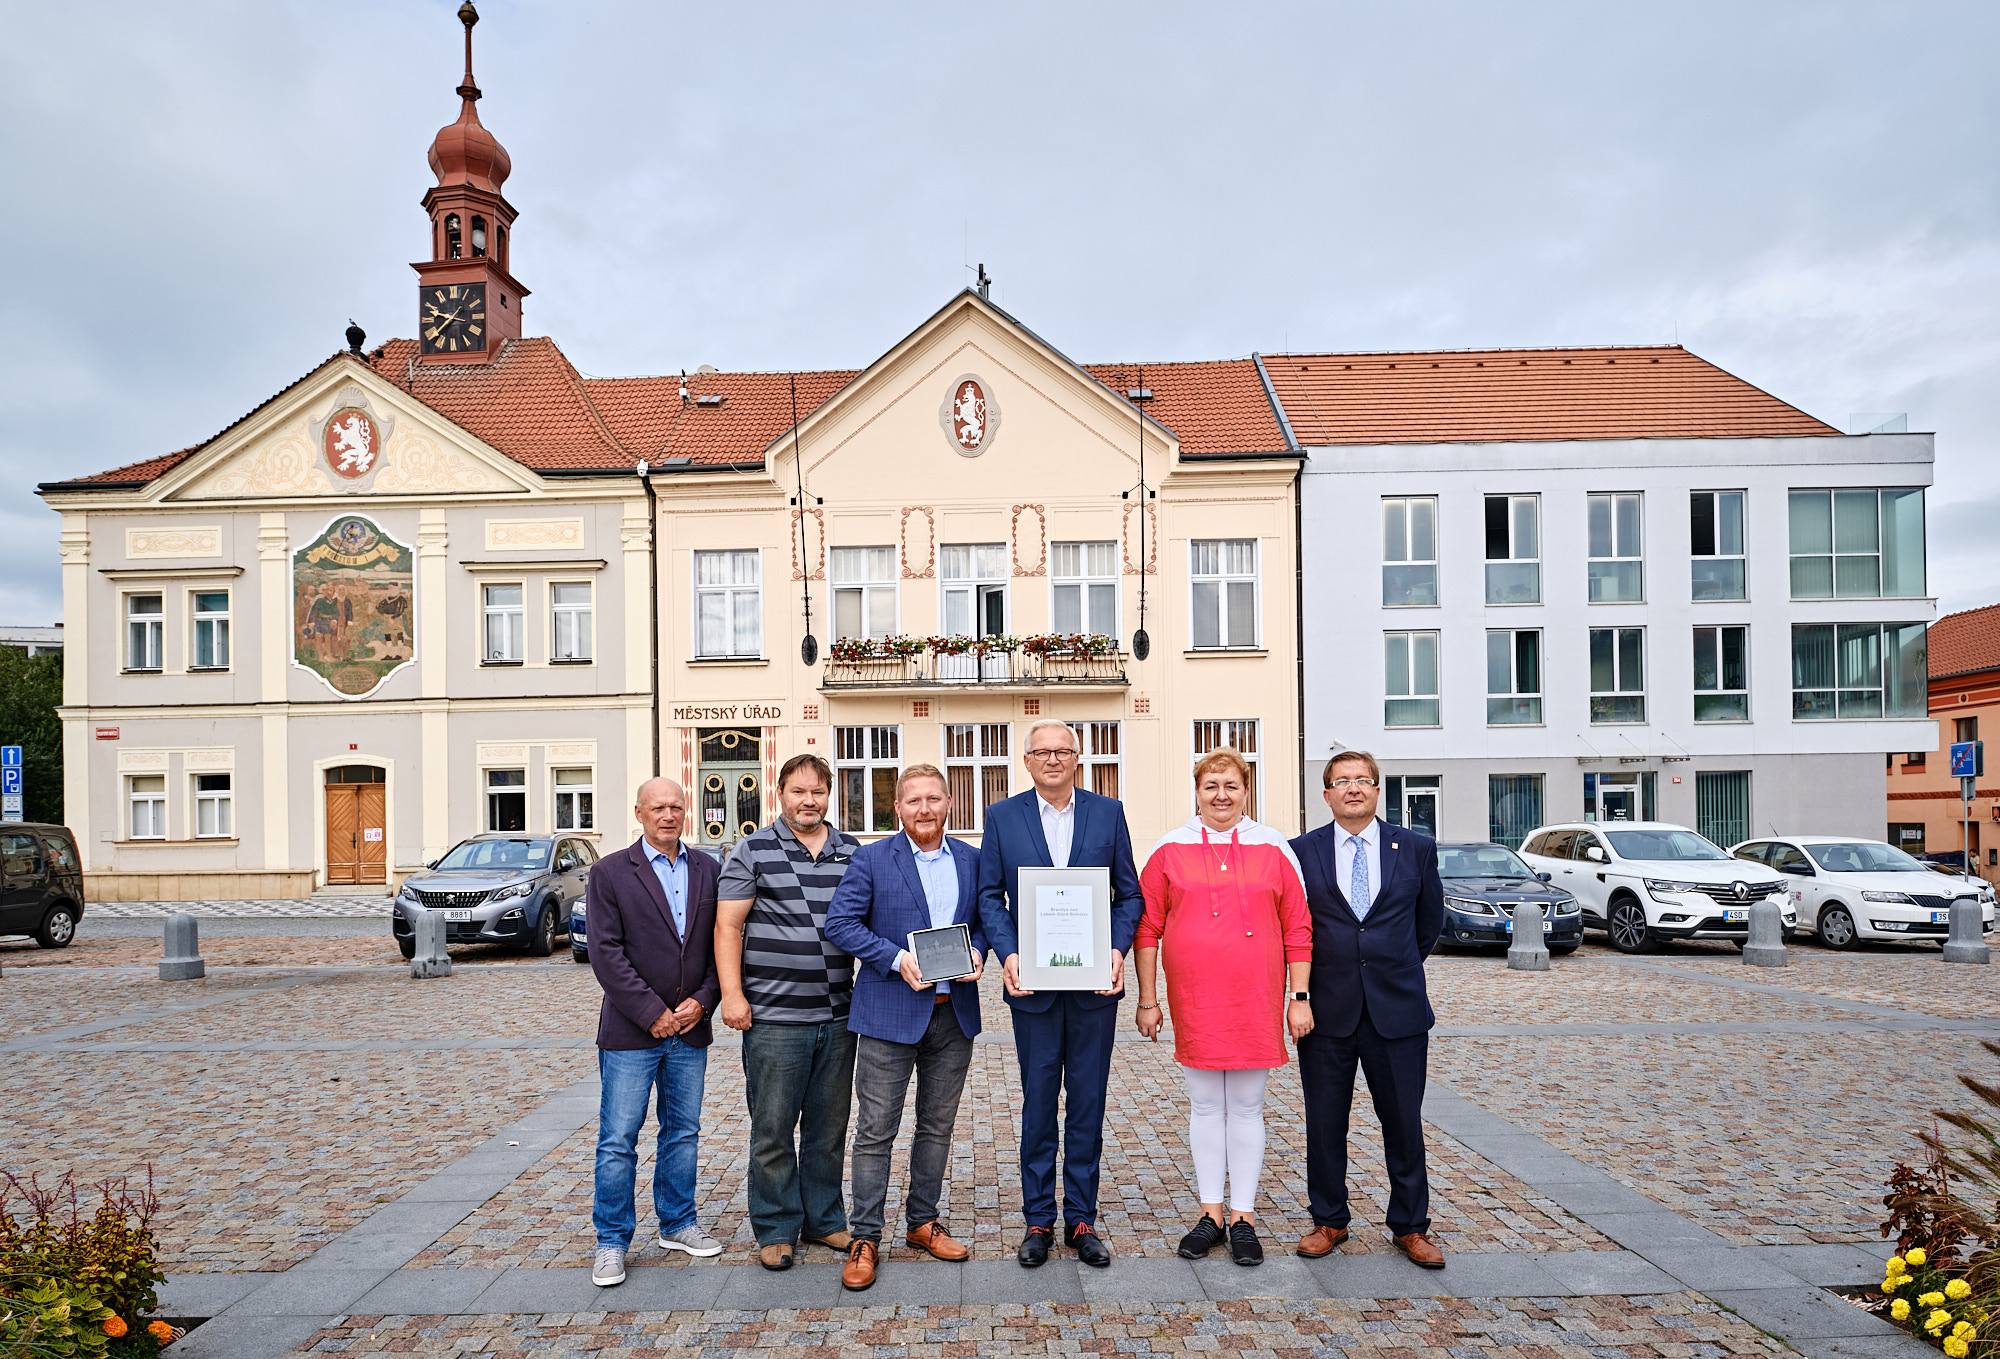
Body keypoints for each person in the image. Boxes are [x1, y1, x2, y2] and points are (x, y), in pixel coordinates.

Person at [1134, 748, 1312, 1267]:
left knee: (1249, 1107)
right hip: (1196, 999)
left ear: (1246, 790)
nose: (1221, 795)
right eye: (1211, 785)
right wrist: (1148, 999)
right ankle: (1210, 1212)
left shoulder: (1274, 846)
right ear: (1196, 791)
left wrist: (1298, 998)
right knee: (1207, 1106)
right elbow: (1147, 928)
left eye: (1231, 785)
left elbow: (1298, 928)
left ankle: (1243, 1217)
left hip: (1255, 997)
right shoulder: (1169, 849)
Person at [976, 718, 1143, 1268]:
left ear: (1077, 758)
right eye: (1042, 751)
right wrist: (1009, 953)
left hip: (1094, 986)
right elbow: (989, 897)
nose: (1052, 759)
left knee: (1088, 1104)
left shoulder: (1108, 813)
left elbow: (1129, 895)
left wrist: (1116, 950)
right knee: (1039, 1104)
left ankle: (1081, 1219)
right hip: (1034, 988)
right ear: (1026, 761)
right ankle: (1038, 1220)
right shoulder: (1002, 816)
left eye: (1062, 751)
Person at [823, 764, 987, 1292]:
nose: (924, 809)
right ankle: (865, 1237)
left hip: (953, 1013)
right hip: (888, 1014)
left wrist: (980, 952)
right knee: (876, 1131)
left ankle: (922, 1222)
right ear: (897, 808)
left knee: (937, 1127)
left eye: (933, 799)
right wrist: (896, 960)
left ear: (949, 803)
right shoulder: (872, 859)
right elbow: (841, 924)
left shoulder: (972, 859)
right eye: (913, 800)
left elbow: (986, 920)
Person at [1289, 750, 1446, 1269]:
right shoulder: (1301, 852)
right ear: (1326, 794)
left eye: (1362, 780)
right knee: (1324, 1124)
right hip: (1326, 1012)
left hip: (1397, 1012)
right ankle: (1329, 1219)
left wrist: (1391, 967)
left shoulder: (1416, 848)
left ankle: (1411, 1226)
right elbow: (1294, 926)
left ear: (1378, 789)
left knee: (1403, 1123)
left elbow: (1428, 924)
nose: (1353, 788)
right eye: (1342, 781)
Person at [715, 753, 862, 1272]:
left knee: (828, 1128)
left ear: (829, 795)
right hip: (774, 1018)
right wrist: (732, 995)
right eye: (798, 791)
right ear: (780, 793)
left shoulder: (851, 851)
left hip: (839, 1016)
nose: (809, 801)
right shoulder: (752, 850)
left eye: (818, 791)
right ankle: (776, 1227)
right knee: (773, 1130)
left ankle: (823, 1219)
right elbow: (728, 927)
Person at [586, 777, 725, 1288]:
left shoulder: (709, 868)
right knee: (619, 1139)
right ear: (639, 813)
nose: (668, 815)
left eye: (676, 807)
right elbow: (605, 953)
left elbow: (721, 944)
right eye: (658, 808)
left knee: (682, 1132)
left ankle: (678, 1223)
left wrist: (704, 1000)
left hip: (690, 1027)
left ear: (686, 812)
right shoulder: (609, 873)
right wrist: (652, 1013)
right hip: (632, 1031)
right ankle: (611, 1241)